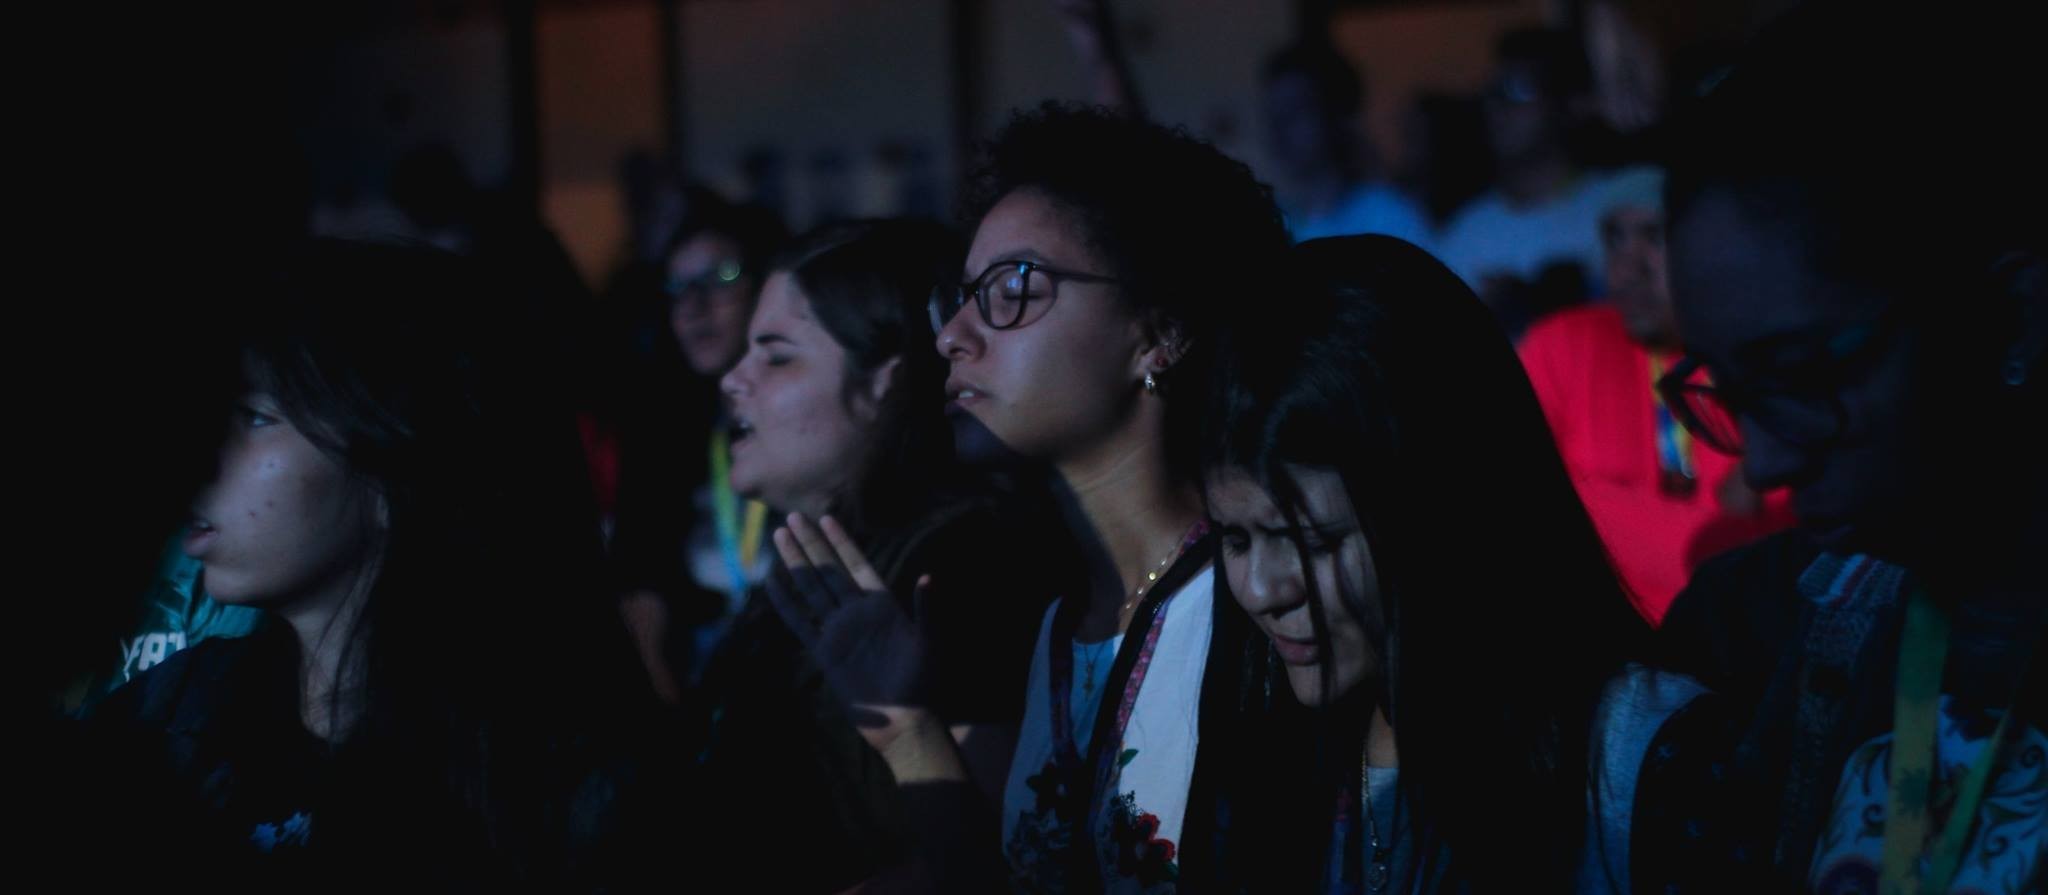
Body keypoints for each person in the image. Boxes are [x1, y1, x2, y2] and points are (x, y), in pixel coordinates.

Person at [767, 103, 1294, 891]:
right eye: (965, 295)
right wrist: (909, 728)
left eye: (1014, 287)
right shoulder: (1060, 622)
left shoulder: (1259, 600)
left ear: (1160, 333)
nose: (954, 337)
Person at [93, 239, 670, 887]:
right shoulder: (170, 714)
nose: (200, 454)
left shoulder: (570, 787)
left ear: (395, 467)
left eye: (254, 417)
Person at [1641, 5, 2046, 891]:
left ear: (2013, 315)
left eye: (1798, 377)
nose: (1764, 461)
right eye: (1732, 392)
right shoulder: (1744, 630)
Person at [1199, 235, 1700, 892]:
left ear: (1439, 506)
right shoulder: (1270, 758)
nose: (1263, 589)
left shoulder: (1639, 757)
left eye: (1314, 542)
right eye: (1235, 539)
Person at [690, 219, 1057, 891]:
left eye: (775, 355)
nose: (734, 380)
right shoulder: (818, 554)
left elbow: (1006, 849)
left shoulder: (957, 563)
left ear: (886, 378)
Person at [1517, 166, 1795, 622]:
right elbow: (1527, 508)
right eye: (1614, 239)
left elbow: (1784, 562)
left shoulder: (1758, 356)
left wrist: (1591, 510)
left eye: (1653, 235)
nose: (1629, 266)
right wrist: (1721, 535)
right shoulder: (1565, 344)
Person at [609, 192, 788, 701]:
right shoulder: (665, 432)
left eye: (722, 277)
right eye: (679, 287)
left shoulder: (806, 416)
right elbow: (638, 583)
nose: (694, 307)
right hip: (697, 687)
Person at [1262, 40, 1436, 250]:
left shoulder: (1388, 217)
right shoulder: (1272, 221)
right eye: (1273, 114)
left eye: (1296, 111)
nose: (1279, 128)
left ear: (1336, 115)